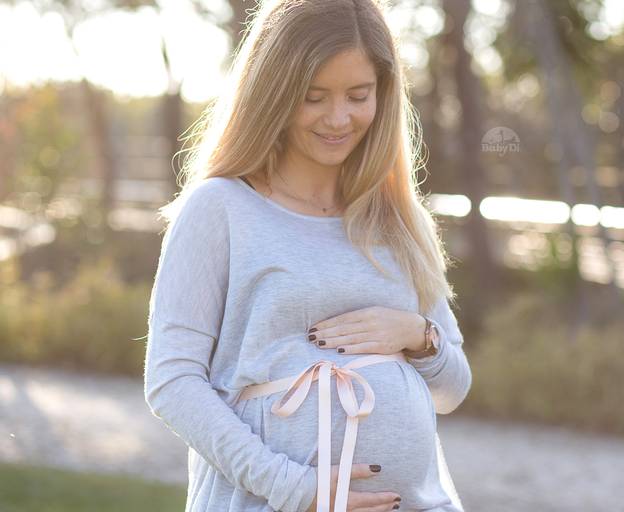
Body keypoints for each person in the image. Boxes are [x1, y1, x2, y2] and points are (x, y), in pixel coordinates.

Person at [143, 0, 472, 511]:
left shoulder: (398, 219)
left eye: (358, 95)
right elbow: (172, 382)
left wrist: (417, 335)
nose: (339, 118)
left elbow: (452, 391)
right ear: (273, 93)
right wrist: (294, 488)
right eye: (313, 97)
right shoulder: (221, 208)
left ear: (383, 95)